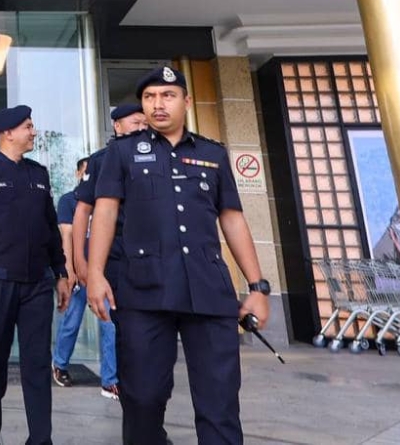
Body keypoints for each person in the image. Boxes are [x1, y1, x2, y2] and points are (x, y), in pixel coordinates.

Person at [86, 66, 271, 445]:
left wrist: (258, 286)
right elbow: (104, 211)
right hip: (143, 292)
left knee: (219, 402)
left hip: (208, 290)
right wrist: (95, 273)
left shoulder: (212, 154)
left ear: (186, 102)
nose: (158, 104)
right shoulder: (121, 154)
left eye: (167, 95)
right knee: (142, 397)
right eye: (150, 97)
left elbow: (232, 220)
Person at [0, 105, 70, 445]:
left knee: (37, 362)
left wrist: (61, 271)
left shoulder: (39, 174)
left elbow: (50, 229)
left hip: (37, 282)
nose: (34, 132)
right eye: (28, 127)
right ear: (8, 133)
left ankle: (41, 438)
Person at [58, 104, 148, 400]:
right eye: (135, 122)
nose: (141, 128)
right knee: (76, 320)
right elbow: (74, 224)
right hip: (95, 264)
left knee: (117, 324)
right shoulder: (100, 162)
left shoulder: (153, 156)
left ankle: (113, 378)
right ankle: (61, 364)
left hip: (132, 260)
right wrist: (78, 266)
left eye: (144, 123)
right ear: (117, 127)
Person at [49, 157, 88, 387]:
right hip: (77, 273)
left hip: (99, 273)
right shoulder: (68, 201)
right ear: (77, 174)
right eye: (85, 172)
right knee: (71, 321)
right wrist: (68, 270)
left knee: (110, 325)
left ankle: (112, 378)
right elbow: (66, 236)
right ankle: (60, 364)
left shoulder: (102, 200)